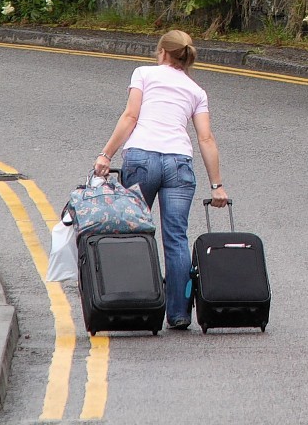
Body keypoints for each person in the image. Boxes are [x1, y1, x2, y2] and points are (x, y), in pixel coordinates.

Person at [93, 29, 228, 330]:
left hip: (141, 160)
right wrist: (217, 185)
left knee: (134, 232)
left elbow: (130, 117)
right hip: (179, 164)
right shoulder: (196, 90)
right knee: (176, 239)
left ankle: (130, 303)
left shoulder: (143, 74)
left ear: (163, 52)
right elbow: (205, 138)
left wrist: (106, 155)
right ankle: (178, 315)